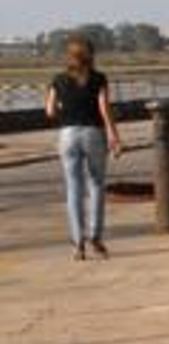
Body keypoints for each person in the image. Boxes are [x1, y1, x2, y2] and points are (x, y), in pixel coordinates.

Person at [44, 36, 122, 260]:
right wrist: (115, 136)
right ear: (91, 55)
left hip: (67, 134)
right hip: (93, 134)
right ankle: (96, 237)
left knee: (73, 189)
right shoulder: (98, 79)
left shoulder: (58, 80)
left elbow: (49, 111)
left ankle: (78, 243)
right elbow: (105, 110)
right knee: (96, 185)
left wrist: (65, 110)